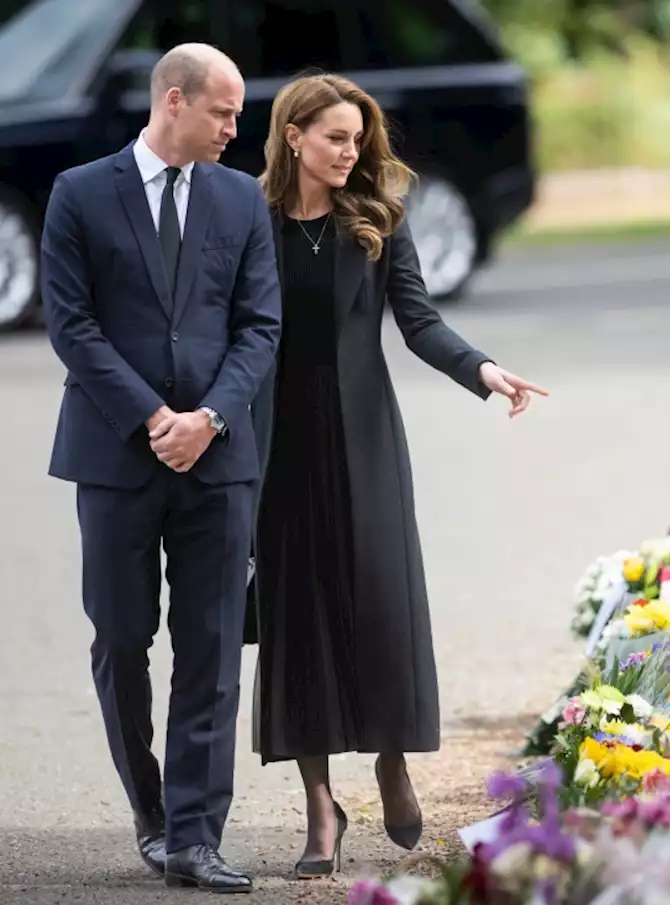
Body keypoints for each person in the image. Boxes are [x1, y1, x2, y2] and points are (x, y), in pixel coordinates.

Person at [246, 73, 548, 880]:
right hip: (276, 444)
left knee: (379, 601)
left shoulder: (379, 218)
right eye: (336, 137)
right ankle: (319, 806)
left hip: (366, 436)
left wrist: (483, 369)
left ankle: (390, 759)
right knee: (297, 618)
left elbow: (419, 322)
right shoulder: (249, 219)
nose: (351, 152)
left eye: (358, 138)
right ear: (295, 136)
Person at [40, 45, 281, 893]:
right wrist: (153, 419)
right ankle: (151, 811)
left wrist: (209, 418)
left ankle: (194, 837)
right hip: (114, 455)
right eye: (224, 112)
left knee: (213, 649)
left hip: (219, 461)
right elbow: (71, 325)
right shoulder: (79, 193)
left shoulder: (241, 198)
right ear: (173, 101)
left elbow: (259, 325)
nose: (235, 127)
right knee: (120, 638)